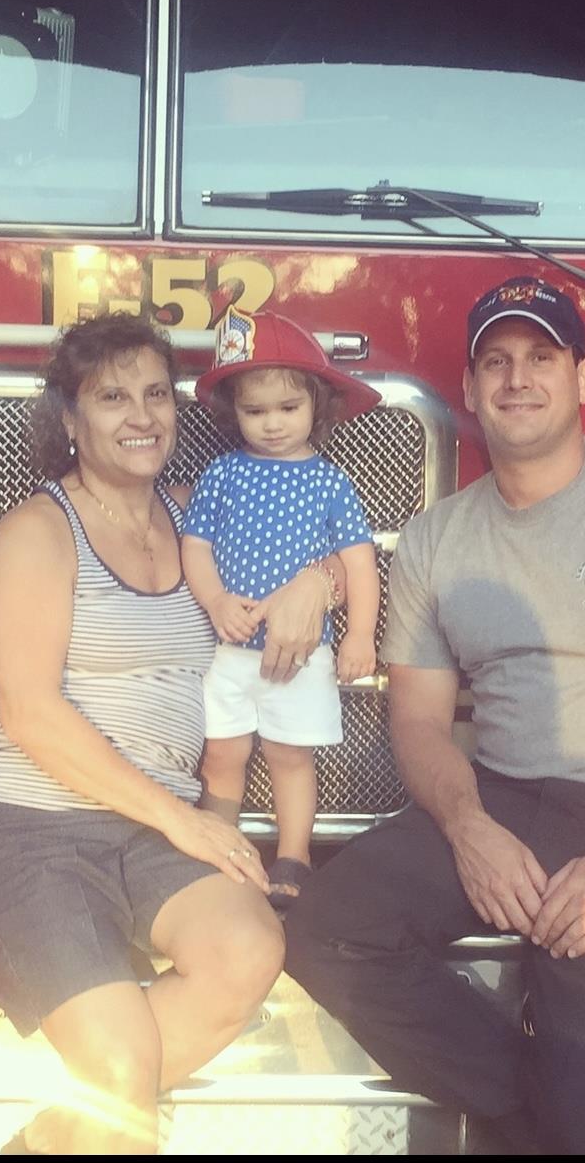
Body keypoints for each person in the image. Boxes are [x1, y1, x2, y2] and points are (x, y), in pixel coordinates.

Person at [284, 278, 585, 1154]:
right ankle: (533, 1108)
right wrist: (469, 825)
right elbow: (419, 723)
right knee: (326, 931)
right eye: (496, 362)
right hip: (503, 798)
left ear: (583, 378)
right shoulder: (436, 537)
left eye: (541, 357)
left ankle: (577, 1119)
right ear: (470, 389)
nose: (517, 379)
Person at [0, 312, 334, 1154]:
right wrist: (181, 816)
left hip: (144, 823)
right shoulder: (37, 531)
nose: (141, 415)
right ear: (69, 420)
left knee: (246, 949)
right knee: (121, 1072)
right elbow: (29, 716)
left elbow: (318, 536)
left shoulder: (198, 517)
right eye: (112, 396)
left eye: (156, 393)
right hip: (22, 823)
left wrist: (320, 576)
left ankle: (49, 1138)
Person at [182, 306, 380, 906]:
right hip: (229, 646)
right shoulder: (221, 474)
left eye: (287, 409)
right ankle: (220, 849)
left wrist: (359, 636)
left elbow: (359, 563)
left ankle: (294, 859)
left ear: (317, 408)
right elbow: (196, 545)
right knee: (222, 751)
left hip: (302, 653)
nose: (271, 424)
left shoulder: (330, 482)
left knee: (290, 756)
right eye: (255, 410)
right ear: (232, 412)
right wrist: (215, 599)